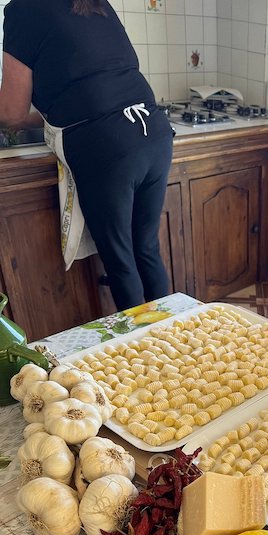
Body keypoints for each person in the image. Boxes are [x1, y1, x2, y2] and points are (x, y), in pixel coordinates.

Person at [0, 0, 174, 311]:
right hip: (153, 130)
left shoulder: (23, 9)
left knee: (121, 261)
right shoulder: (94, 2)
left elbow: (11, 113)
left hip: (109, 144)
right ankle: (173, 344)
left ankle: (142, 354)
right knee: (146, 247)